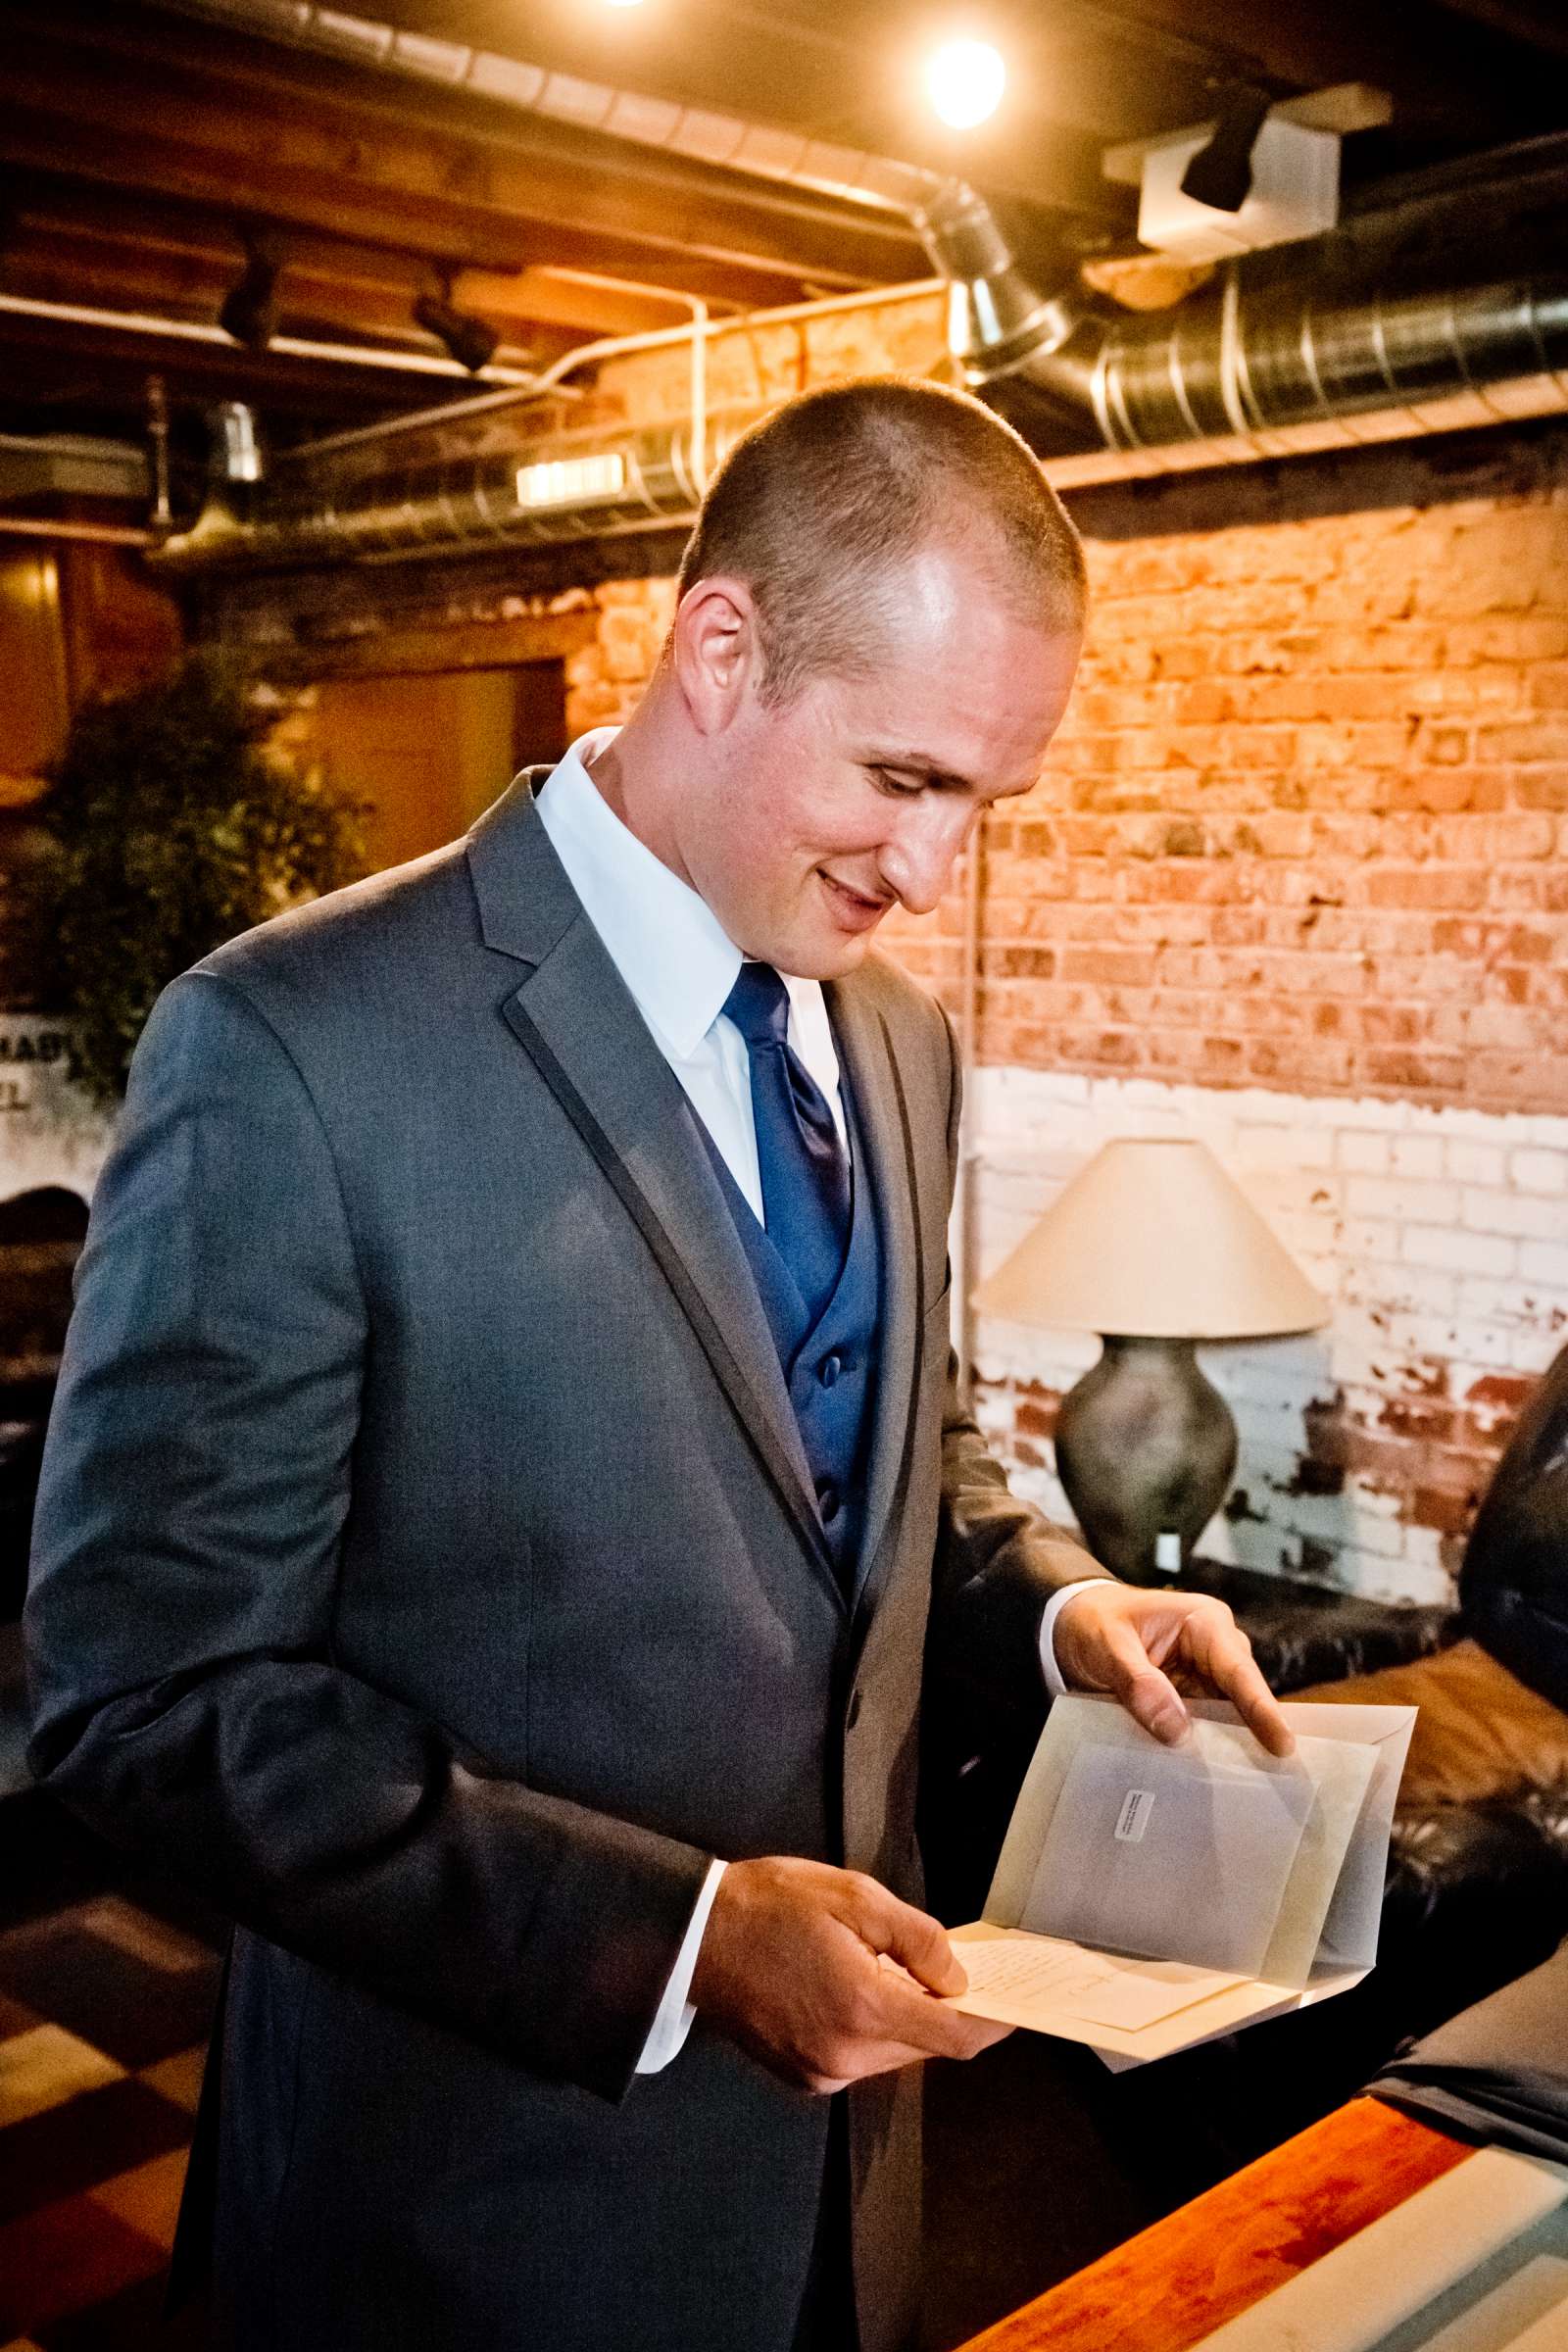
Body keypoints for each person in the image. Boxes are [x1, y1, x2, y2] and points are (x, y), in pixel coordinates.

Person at [24, 377, 1290, 2352]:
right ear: (718, 650)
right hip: (466, 2216)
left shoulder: (899, 1049)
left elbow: (894, 1476)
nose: (934, 874)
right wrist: (684, 1939)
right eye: (901, 777)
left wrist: (1064, 1613)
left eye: (983, 803)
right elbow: (146, 1697)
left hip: (841, 2212)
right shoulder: (289, 1048)